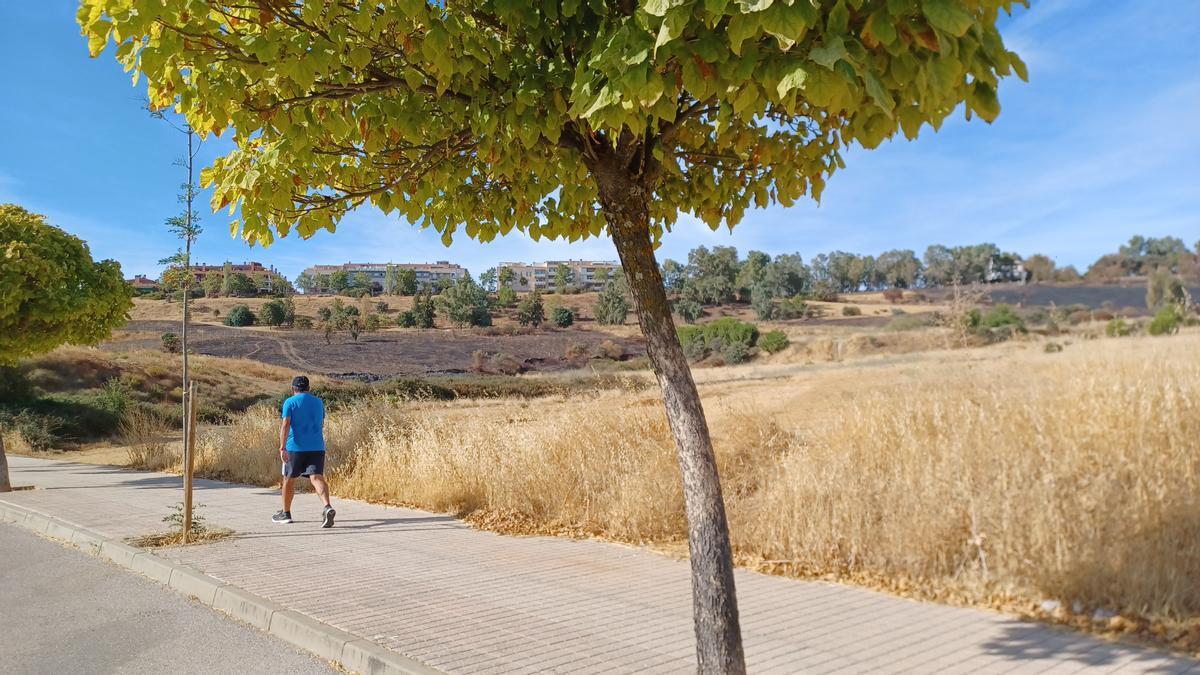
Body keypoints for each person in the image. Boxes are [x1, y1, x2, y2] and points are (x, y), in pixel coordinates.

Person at [273, 375, 335, 528]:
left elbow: (286, 425)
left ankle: (286, 513)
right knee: (316, 477)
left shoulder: (290, 402)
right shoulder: (318, 402)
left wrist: (282, 447)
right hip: (317, 447)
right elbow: (320, 424)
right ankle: (327, 507)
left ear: (293, 388)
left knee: (289, 479)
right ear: (308, 388)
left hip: (295, 447)